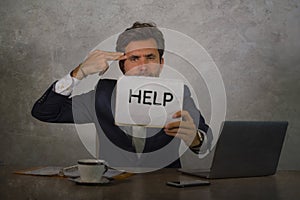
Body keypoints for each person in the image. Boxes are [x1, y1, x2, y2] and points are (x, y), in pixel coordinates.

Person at [31, 22, 211, 169]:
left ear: (161, 63)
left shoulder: (179, 94)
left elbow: (205, 142)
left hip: (165, 186)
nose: (143, 65)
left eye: (150, 57)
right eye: (134, 59)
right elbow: (45, 112)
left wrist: (195, 138)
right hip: (113, 188)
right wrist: (80, 73)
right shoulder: (102, 96)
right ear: (122, 65)